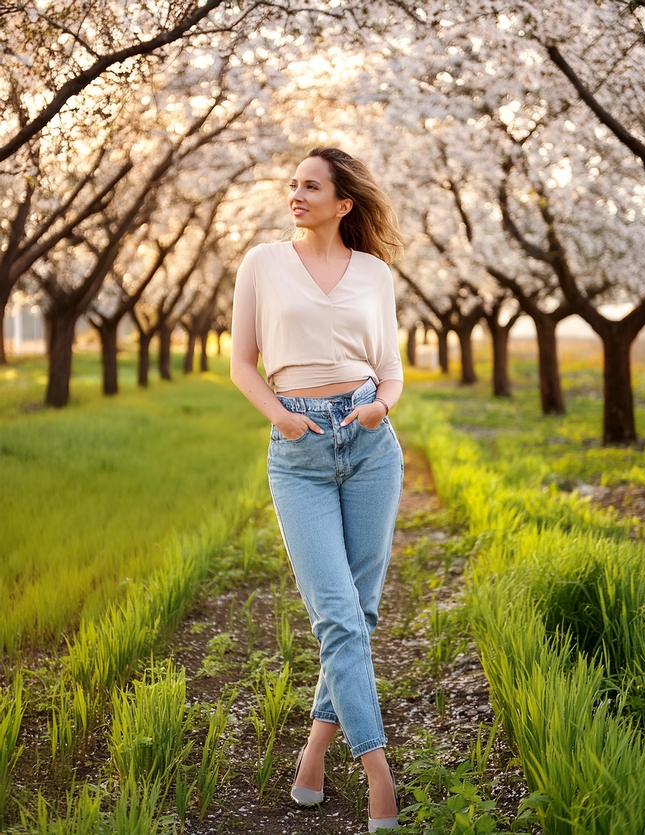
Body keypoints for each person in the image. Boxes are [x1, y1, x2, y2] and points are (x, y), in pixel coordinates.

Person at [230, 146, 404, 832]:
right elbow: (242, 360)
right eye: (292, 184)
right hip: (297, 449)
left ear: (344, 202)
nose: (295, 194)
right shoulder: (263, 264)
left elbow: (390, 369)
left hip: (369, 444)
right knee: (336, 613)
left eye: (311, 186)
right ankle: (378, 771)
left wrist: (380, 408)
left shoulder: (374, 273)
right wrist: (280, 416)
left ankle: (314, 751)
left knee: (358, 613)